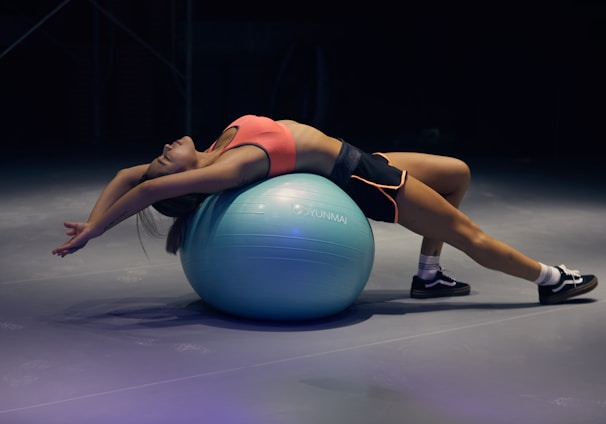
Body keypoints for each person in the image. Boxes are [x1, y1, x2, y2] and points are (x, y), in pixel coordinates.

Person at [52, 114, 598, 305]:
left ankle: (428, 278)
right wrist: (96, 233)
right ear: (184, 180)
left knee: (457, 172)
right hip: (362, 178)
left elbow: (129, 177)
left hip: (356, 156)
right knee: (468, 234)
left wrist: (94, 214)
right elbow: (143, 190)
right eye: (163, 159)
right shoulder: (221, 170)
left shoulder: (214, 150)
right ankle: (549, 278)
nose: (164, 148)